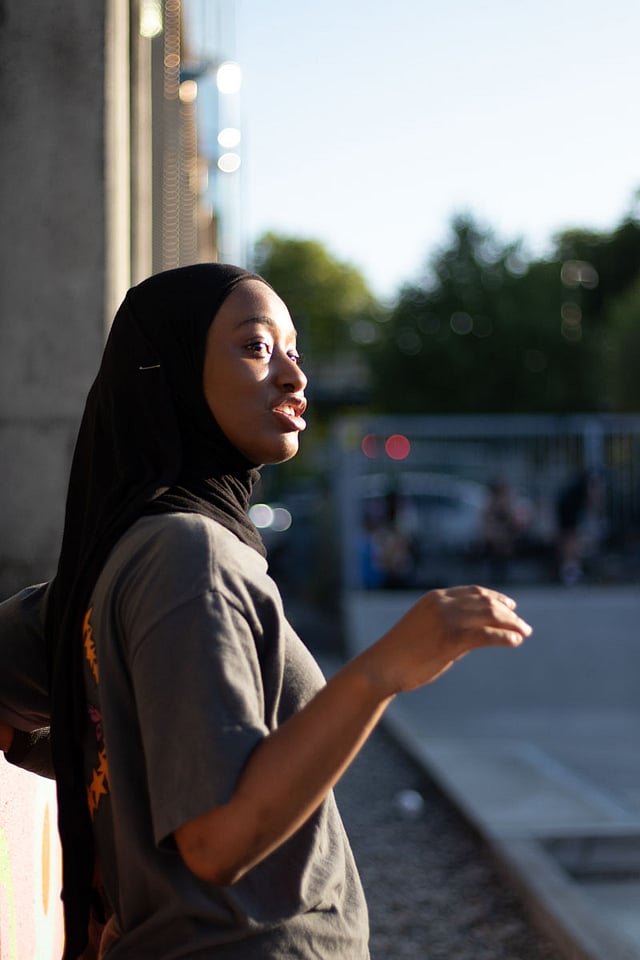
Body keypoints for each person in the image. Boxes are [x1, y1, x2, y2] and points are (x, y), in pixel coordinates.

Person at [0, 264, 532, 959]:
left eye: (294, 351)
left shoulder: (124, 559)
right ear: (174, 371)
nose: (292, 376)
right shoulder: (190, 556)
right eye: (256, 347)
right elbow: (220, 839)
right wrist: (383, 672)